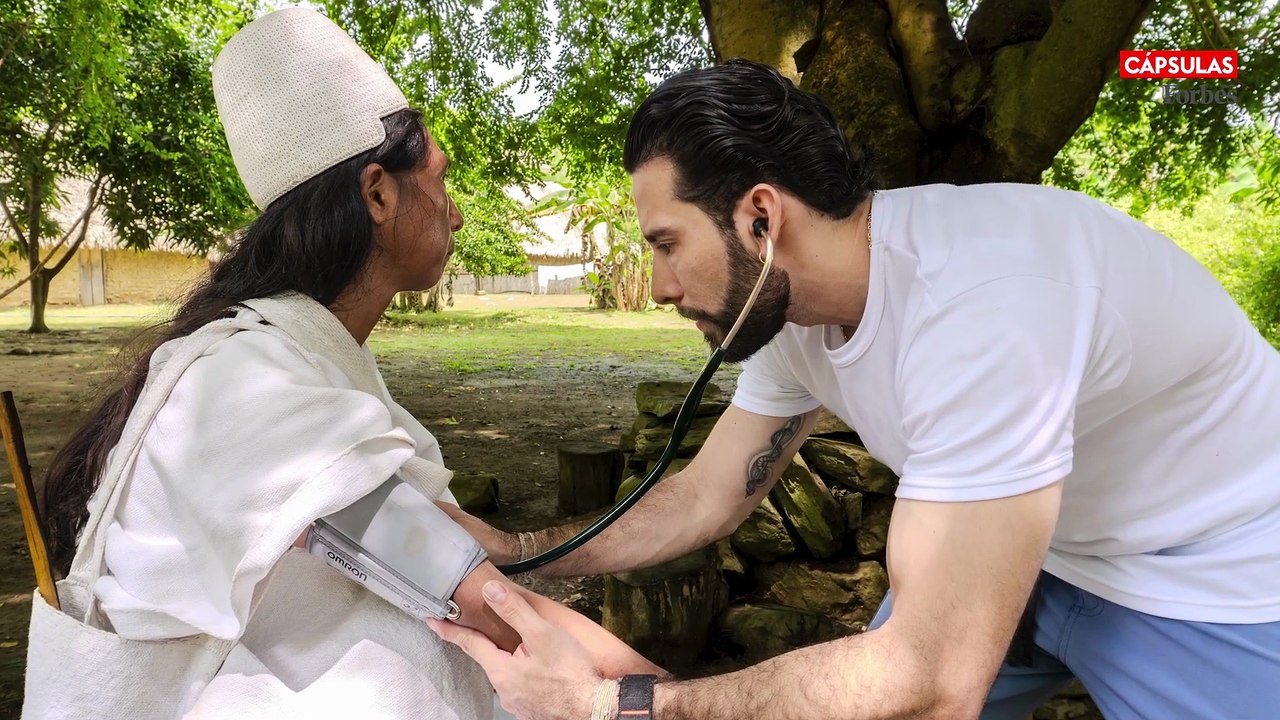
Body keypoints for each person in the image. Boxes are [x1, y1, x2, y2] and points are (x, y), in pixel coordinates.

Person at [430, 59, 1280, 720]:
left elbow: (930, 682)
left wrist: (611, 705)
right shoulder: (793, 309)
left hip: (1216, 579)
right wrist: (517, 551)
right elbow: (703, 499)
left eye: (665, 242)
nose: (656, 286)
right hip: (1030, 552)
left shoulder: (982, 307)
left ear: (761, 218)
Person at [25, 7, 658, 719]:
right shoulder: (251, 387)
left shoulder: (287, 355)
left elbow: (424, 549)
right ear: (378, 192)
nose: (454, 214)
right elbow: (490, 606)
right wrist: (678, 699)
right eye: (441, 182)